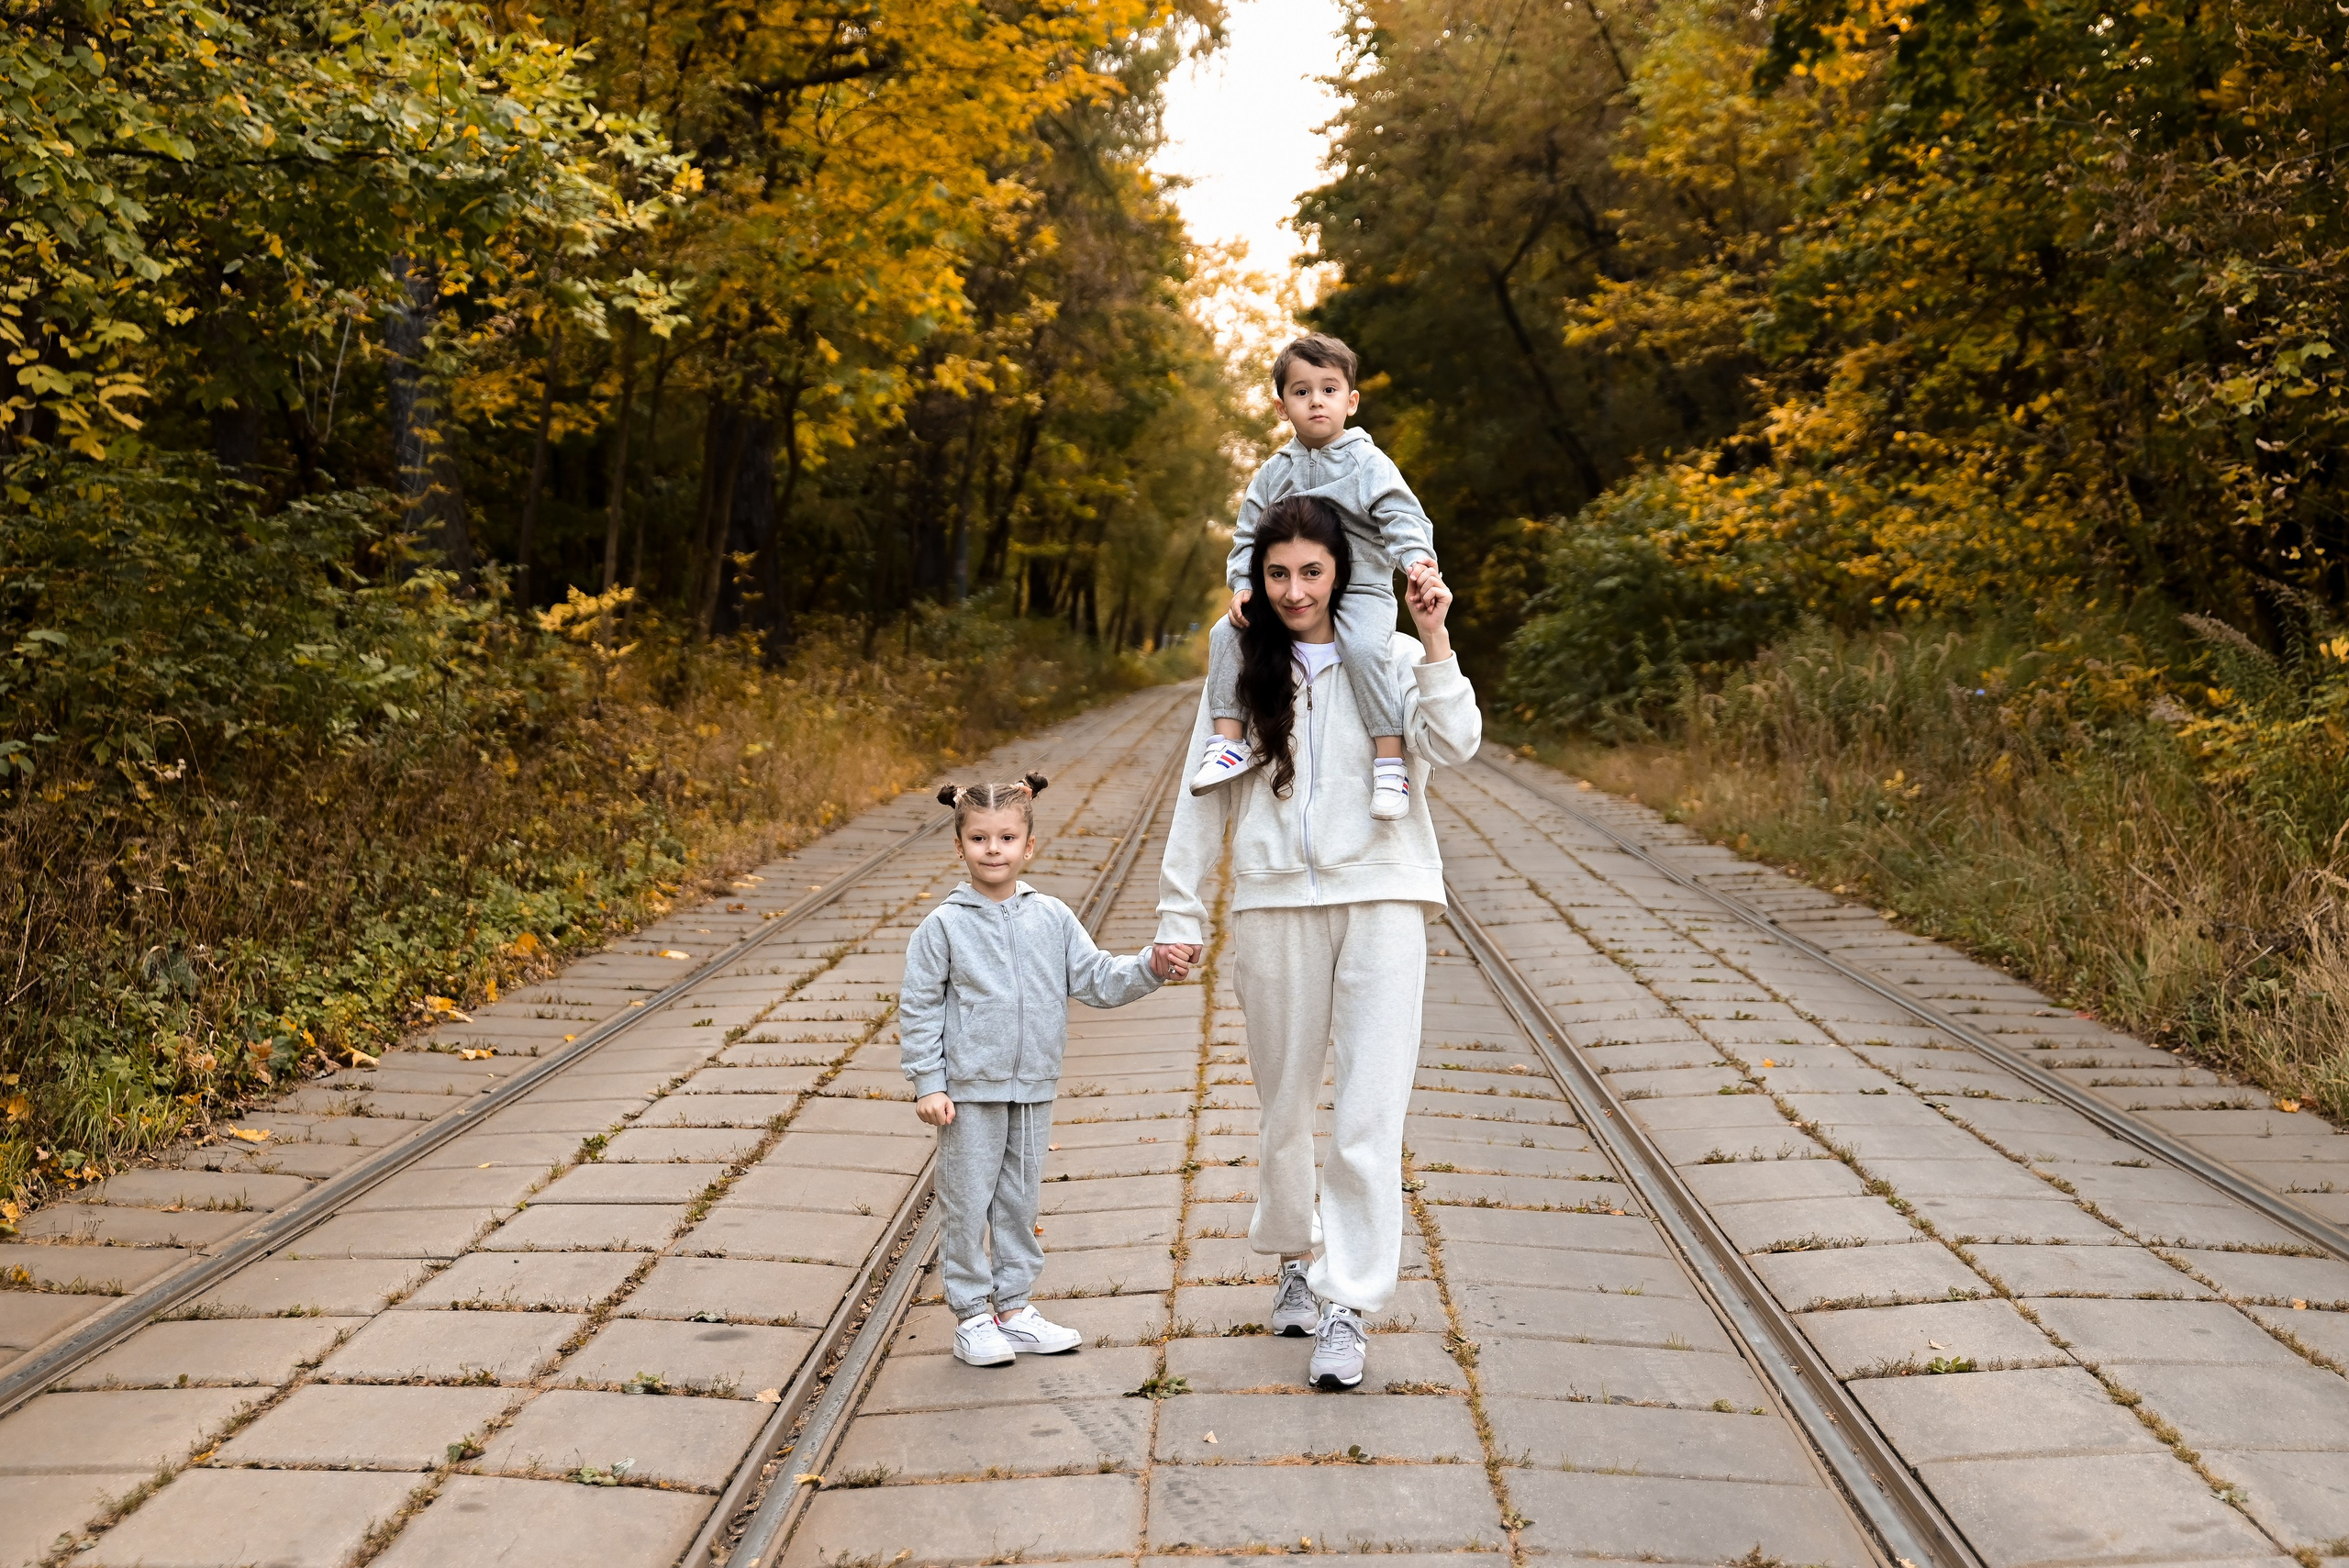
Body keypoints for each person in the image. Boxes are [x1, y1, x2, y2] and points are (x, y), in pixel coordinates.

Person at [1156, 495, 1480, 1390]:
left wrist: (1437, 638)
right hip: (1272, 907)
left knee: (1369, 1117)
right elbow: (1200, 797)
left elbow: (1456, 742)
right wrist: (1180, 915)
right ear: (1255, 580)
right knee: (1285, 1107)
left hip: (1382, 893)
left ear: (1341, 572)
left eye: (1311, 571)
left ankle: (1348, 1303)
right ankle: (1293, 1255)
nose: (1295, 590)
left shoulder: (1393, 654)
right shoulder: (1240, 667)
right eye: (1277, 572)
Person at [899, 774, 1198, 1367]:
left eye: (1006, 837)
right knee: (966, 1201)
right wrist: (928, 1082)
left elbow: (1097, 978)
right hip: (968, 1094)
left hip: (1032, 1089)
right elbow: (919, 1005)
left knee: (1018, 1202)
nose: (993, 849)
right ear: (960, 846)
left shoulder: (1053, 918)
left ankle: (1014, 1307)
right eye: (980, 838)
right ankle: (973, 1313)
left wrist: (1152, 965)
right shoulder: (943, 927)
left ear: (1028, 846)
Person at [1189, 332, 1442, 825]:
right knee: (1226, 632)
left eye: (1328, 389)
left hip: (1362, 587)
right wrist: (1244, 584)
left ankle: (1389, 763)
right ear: (1282, 406)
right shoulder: (1272, 472)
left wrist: (1416, 560)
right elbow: (1247, 534)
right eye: (1301, 391)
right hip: (1292, 591)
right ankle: (1228, 743)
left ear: (1351, 401)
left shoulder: (1367, 462)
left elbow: (1401, 515)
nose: (1316, 401)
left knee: (1367, 649)